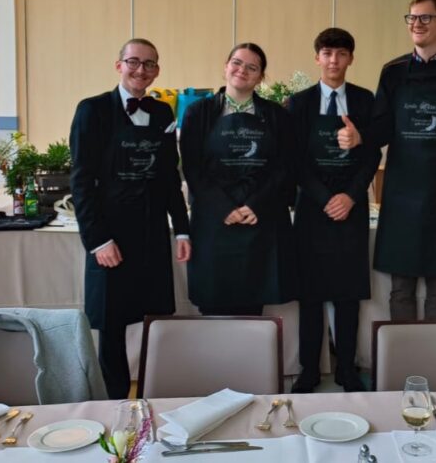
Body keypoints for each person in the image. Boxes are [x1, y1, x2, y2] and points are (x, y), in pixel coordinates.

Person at [339, 0, 436, 320]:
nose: (417, 24)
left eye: (426, 18)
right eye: (412, 18)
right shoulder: (393, 71)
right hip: (402, 189)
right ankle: (401, 362)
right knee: (401, 286)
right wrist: (362, 137)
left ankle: (434, 361)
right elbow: (382, 126)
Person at [69, 38, 191, 399]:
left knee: (153, 315)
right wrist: (97, 240)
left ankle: (153, 393)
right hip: (112, 236)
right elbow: (81, 180)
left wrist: (181, 229)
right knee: (112, 324)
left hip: (152, 232)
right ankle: (116, 401)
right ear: (118, 65)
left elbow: (171, 177)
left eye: (150, 64)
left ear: (157, 70)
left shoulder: (162, 113)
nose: (141, 70)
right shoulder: (92, 110)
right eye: (134, 62)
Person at [288, 28, 381, 393]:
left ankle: (347, 370)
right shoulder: (299, 104)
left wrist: (351, 196)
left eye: (341, 54)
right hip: (312, 209)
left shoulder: (364, 100)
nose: (333, 61)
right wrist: (324, 197)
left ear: (350, 59)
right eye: (327, 53)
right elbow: (294, 158)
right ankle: (309, 370)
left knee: (347, 295)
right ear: (317, 58)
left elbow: (372, 153)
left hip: (351, 208)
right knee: (310, 295)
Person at [179, 43, 295, 317]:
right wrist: (224, 208)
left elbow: (284, 167)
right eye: (236, 62)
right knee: (213, 303)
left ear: (261, 76)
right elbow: (193, 168)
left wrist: (255, 204)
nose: (242, 70)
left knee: (253, 306)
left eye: (252, 67)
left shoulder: (277, 115)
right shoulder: (199, 113)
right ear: (225, 66)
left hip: (260, 219)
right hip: (214, 222)